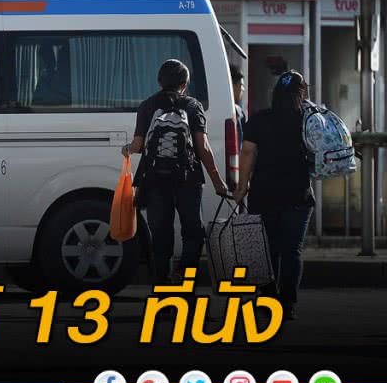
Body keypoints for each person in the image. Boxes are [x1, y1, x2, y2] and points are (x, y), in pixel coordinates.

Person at [122, 59, 229, 283]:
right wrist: (218, 181)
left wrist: (127, 149)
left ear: (160, 81)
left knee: (161, 238)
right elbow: (203, 147)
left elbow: (138, 145)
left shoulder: (147, 106)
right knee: (193, 233)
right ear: (184, 83)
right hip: (187, 178)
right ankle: (184, 278)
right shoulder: (192, 106)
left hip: (154, 179)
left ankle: (161, 289)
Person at [233, 71, 314, 320]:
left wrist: (242, 186)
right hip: (298, 194)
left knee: (268, 248)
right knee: (292, 250)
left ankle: (268, 299)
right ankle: (288, 304)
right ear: (302, 92)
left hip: (264, 193)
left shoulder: (259, 119)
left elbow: (247, 153)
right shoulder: (307, 120)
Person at [230, 63, 246, 151]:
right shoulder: (236, 112)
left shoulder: (240, 112)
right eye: (241, 85)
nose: (243, 89)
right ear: (232, 85)